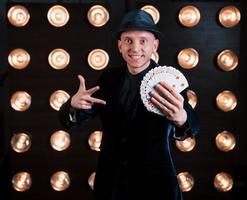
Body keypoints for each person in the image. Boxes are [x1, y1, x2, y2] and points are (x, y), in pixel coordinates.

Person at [59, 10, 199, 200]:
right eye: (128, 40)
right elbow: (75, 119)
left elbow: (194, 125)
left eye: (143, 41)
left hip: (155, 183)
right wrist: (73, 106)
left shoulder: (168, 80)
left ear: (154, 45)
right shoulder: (108, 78)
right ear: (119, 46)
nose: (135, 48)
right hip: (111, 182)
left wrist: (182, 118)